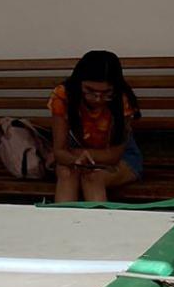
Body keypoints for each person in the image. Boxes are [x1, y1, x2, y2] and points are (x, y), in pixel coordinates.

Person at [48, 50, 142, 204]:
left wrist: (77, 154)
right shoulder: (63, 95)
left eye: (106, 93)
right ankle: (63, 224)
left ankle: (97, 225)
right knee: (66, 173)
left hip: (122, 158)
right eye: (89, 91)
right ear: (79, 83)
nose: (98, 99)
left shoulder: (122, 99)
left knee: (93, 177)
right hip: (74, 156)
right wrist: (75, 158)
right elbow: (59, 152)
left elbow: (114, 156)